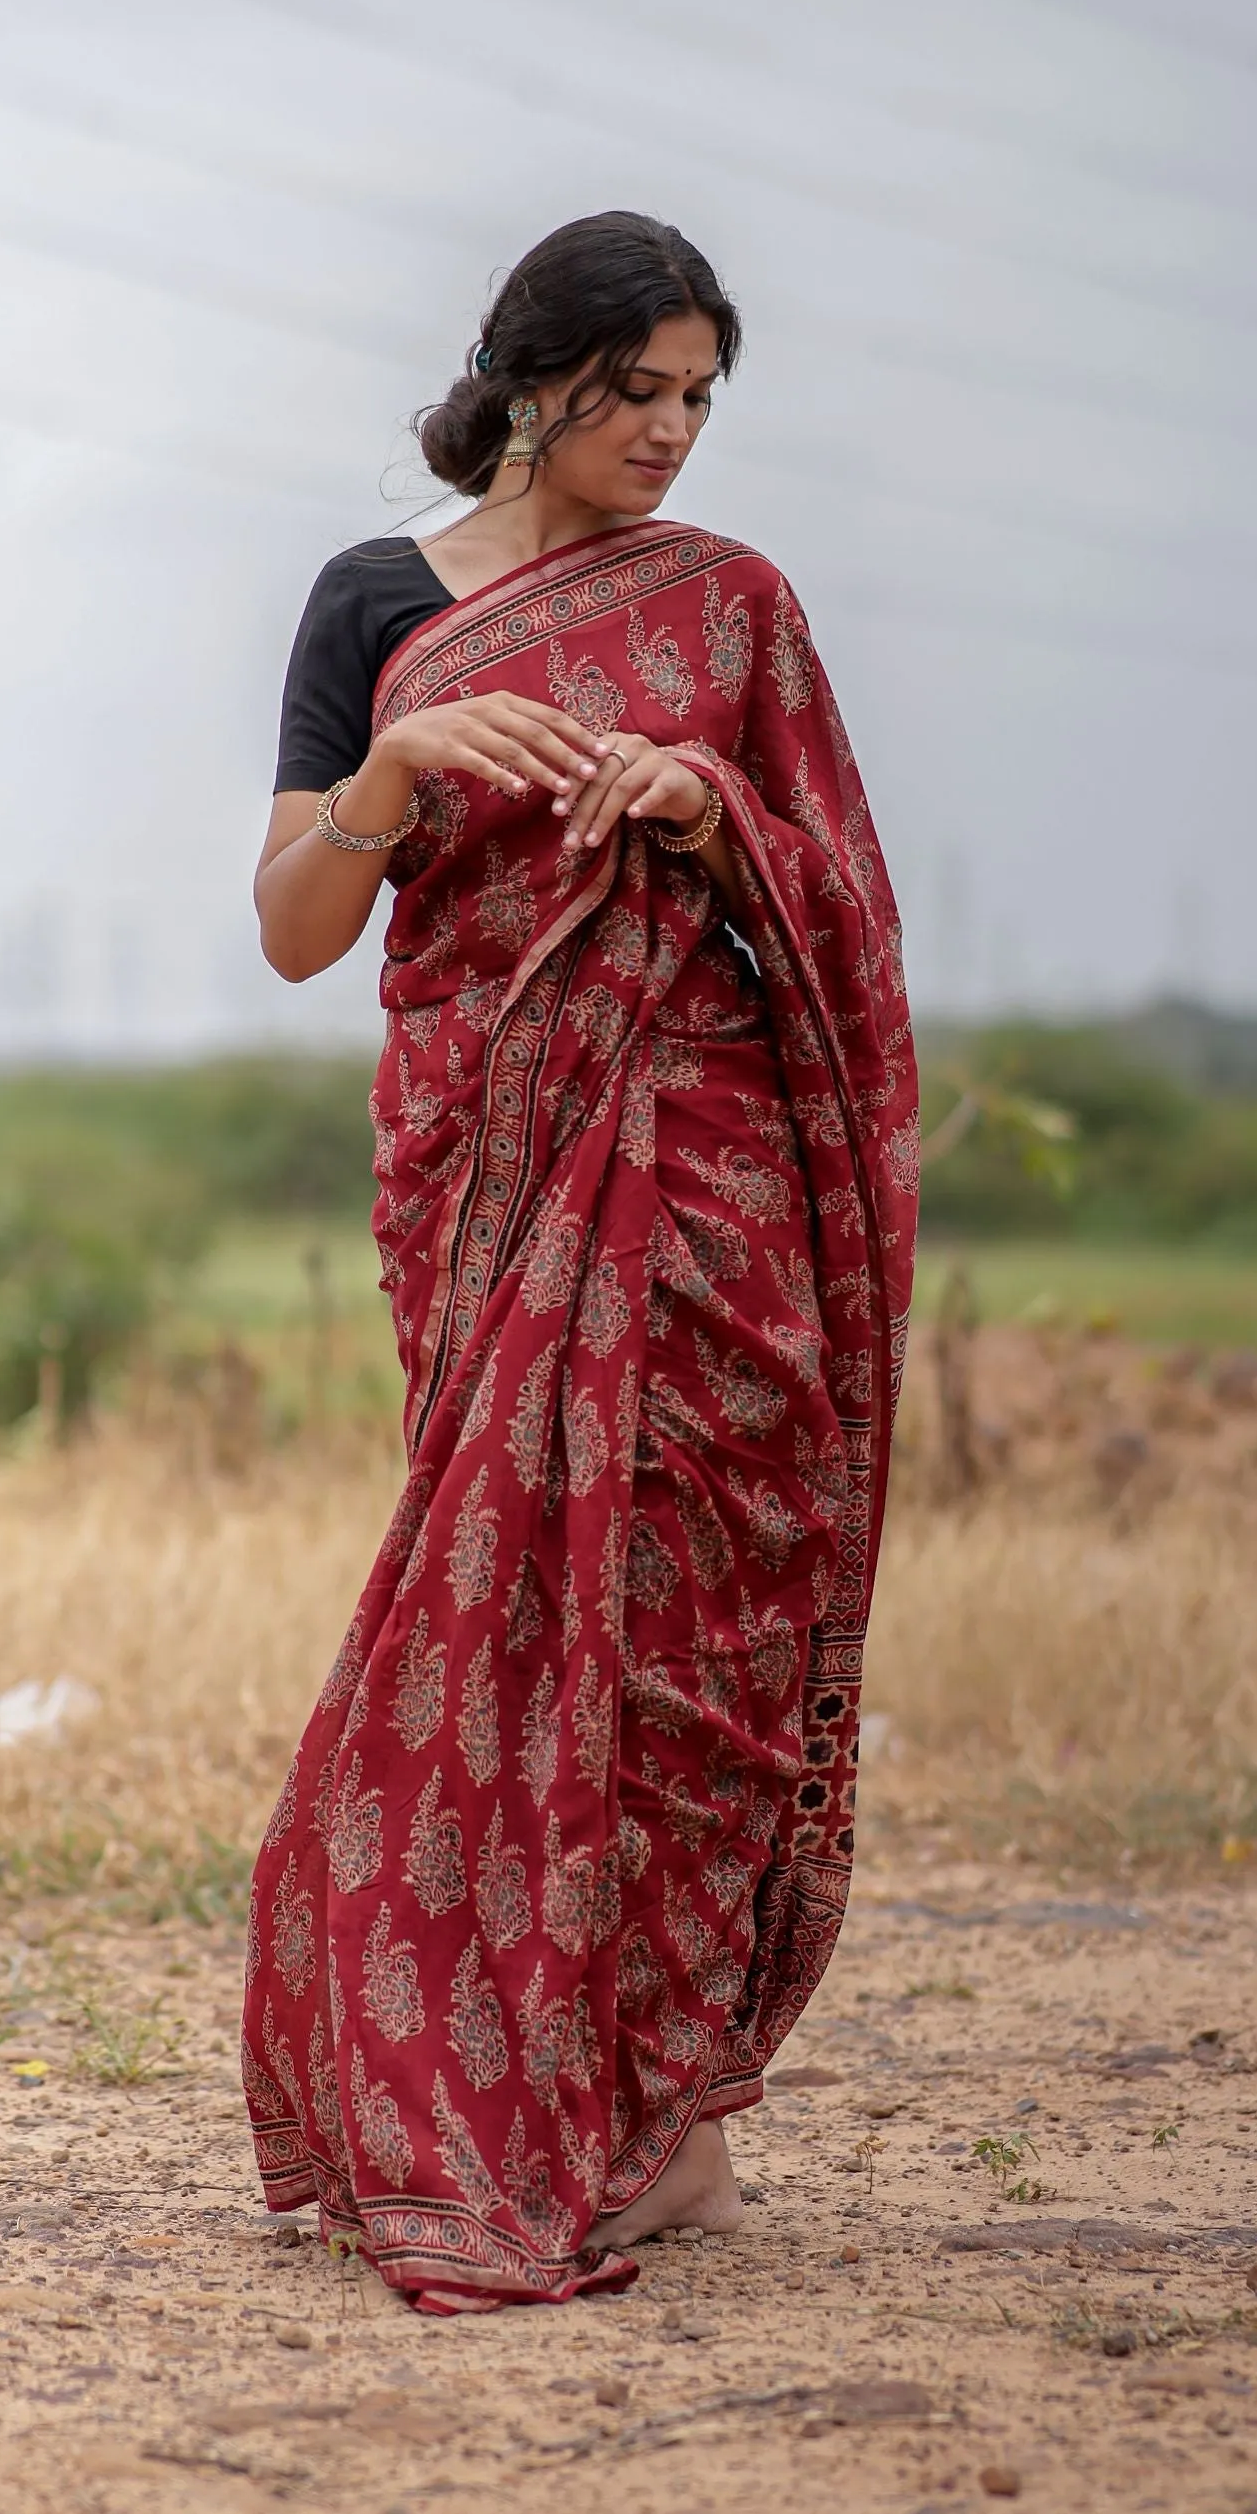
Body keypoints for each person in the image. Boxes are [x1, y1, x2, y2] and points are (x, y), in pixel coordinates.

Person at [243, 211, 917, 2313]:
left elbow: (848, 913)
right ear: (532, 380)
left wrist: (709, 804)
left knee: (687, 1625)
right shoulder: (375, 604)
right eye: (634, 391)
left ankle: (668, 2125)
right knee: (518, 1617)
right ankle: (478, 2091)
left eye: (698, 398)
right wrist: (396, 769)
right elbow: (287, 923)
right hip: (487, 1166)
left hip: (698, 1169)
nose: (668, 437)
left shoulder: (732, 615)